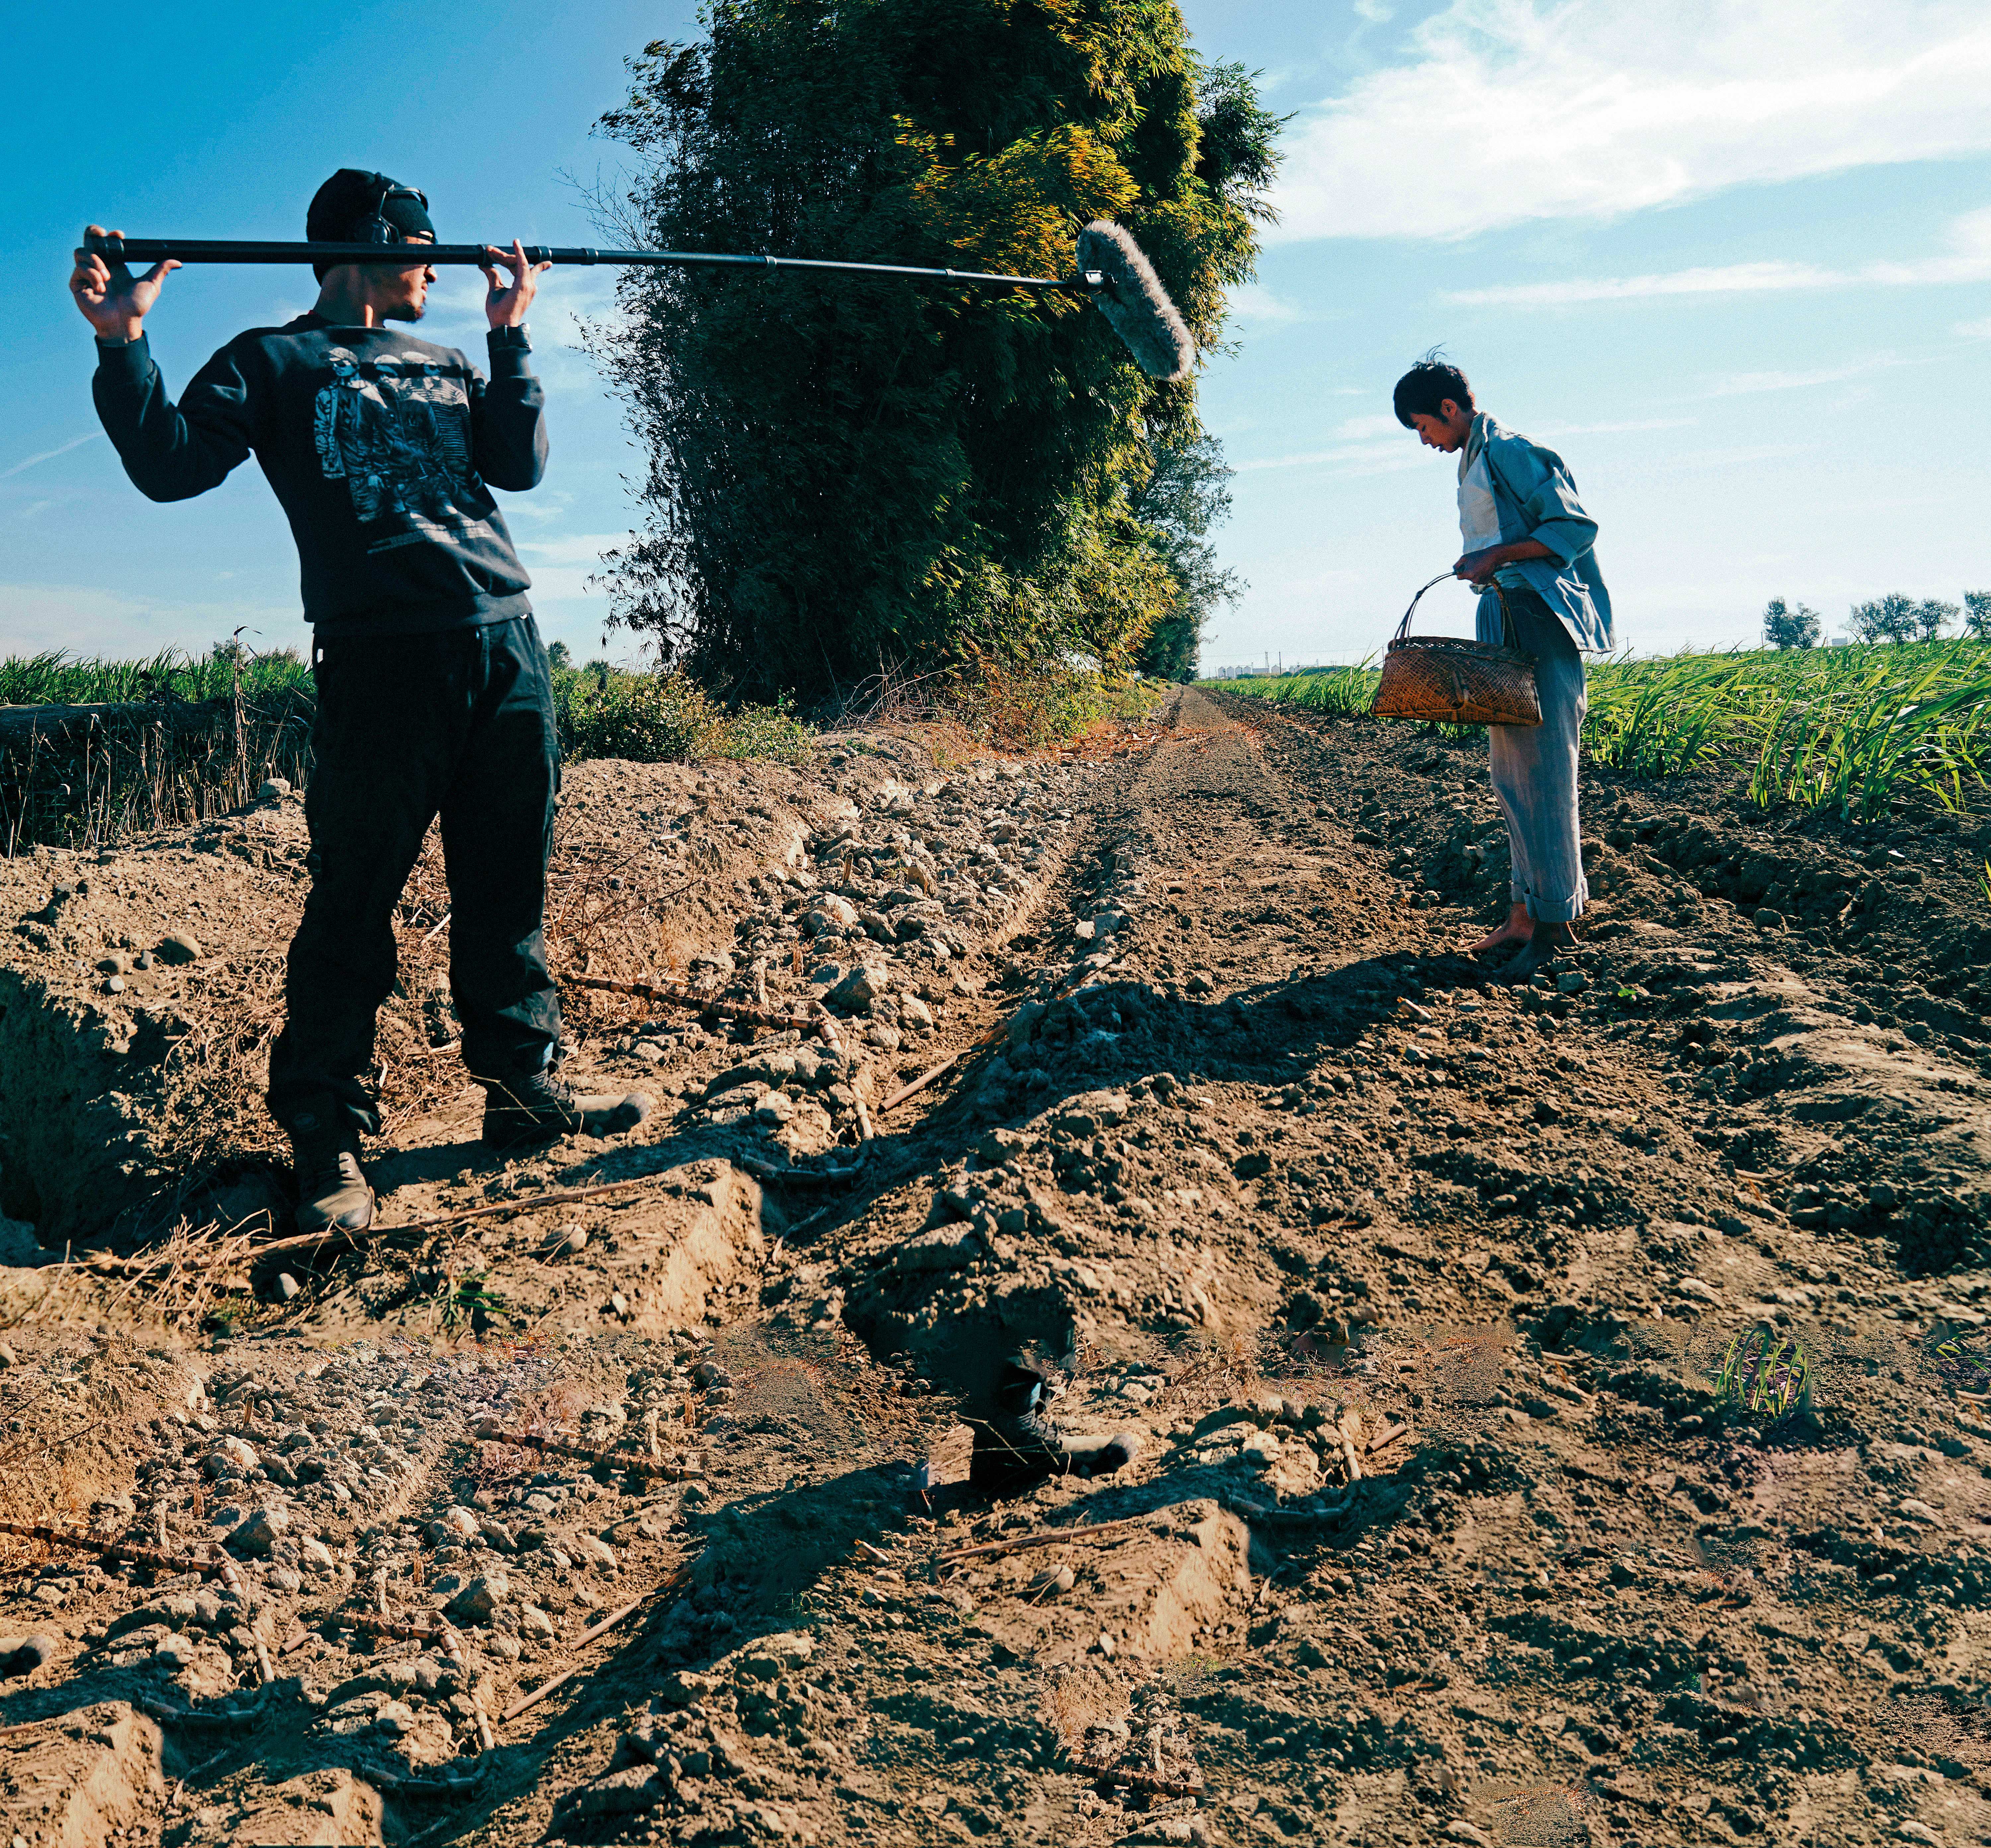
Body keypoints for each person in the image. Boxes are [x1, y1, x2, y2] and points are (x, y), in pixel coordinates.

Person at [70, 170, 646, 1236]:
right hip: (381, 663)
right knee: (353, 907)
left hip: (506, 644)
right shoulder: (270, 360)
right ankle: (326, 1135)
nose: (438, 267)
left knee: (507, 883)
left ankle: (522, 1089)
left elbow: (517, 468)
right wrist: (123, 344)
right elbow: (170, 468)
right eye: (424, 246)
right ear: (374, 242)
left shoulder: (449, 358)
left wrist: (512, 338)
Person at [1393, 353, 1613, 982]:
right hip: (1503, 611)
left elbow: (1574, 526)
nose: (1425, 441)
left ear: (1449, 408)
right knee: (1512, 776)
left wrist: (1498, 556)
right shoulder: (1474, 458)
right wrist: (1484, 564)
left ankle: (1555, 926)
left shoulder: (1512, 451)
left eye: (1424, 427)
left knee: (1545, 774)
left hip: (1536, 616)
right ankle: (1522, 916)